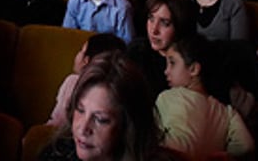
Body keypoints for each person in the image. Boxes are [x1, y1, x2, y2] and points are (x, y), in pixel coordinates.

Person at [39, 51, 173, 161]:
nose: (83, 128)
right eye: (80, 110)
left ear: (127, 126)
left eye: (100, 119)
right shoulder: (55, 154)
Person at [155, 33, 255, 160]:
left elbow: (149, 135)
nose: (166, 71)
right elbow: (247, 146)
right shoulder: (227, 112)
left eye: (172, 63)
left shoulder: (168, 97)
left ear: (193, 69)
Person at [47, 34, 128, 127]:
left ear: (86, 60)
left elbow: (58, 122)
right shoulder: (122, 86)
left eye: (81, 50)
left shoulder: (73, 81)